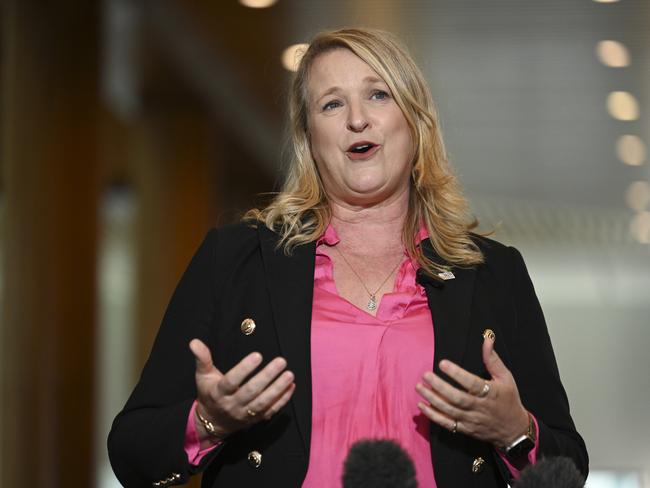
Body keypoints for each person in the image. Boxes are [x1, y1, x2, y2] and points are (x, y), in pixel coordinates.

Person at [108, 27, 588, 487]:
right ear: (310, 140)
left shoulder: (493, 273)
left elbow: (568, 467)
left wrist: (515, 429)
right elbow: (132, 451)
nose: (357, 118)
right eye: (332, 103)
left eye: (378, 95)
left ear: (415, 122)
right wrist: (209, 420)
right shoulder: (236, 260)